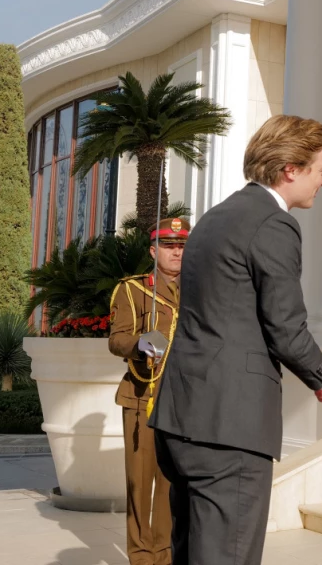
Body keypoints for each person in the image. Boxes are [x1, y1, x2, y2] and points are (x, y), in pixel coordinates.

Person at [150, 115, 322, 565]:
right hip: (229, 428)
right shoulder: (273, 224)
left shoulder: (215, 218)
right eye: (320, 169)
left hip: (182, 417)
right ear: (290, 169)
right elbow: (285, 326)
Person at [108, 216, 189, 565]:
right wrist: (139, 343)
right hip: (143, 394)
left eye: (182, 247)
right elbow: (116, 340)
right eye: (169, 247)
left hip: (183, 400)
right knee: (140, 485)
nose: (176, 253)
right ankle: (141, 557)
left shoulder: (200, 290)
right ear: (154, 250)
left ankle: (165, 554)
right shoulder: (133, 289)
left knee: (171, 485)